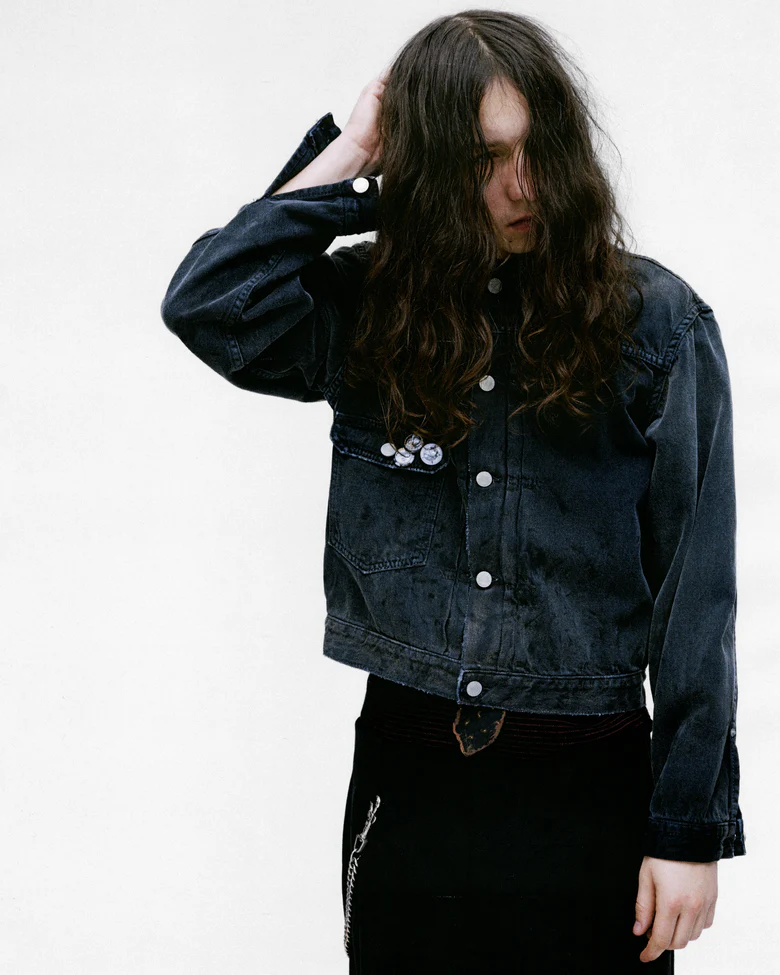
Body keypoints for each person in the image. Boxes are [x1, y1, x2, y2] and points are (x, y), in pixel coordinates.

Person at [160, 9, 745, 973]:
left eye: (537, 150)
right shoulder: (367, 308)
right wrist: (352, 156)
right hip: (411, 785)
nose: (523, 187)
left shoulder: (657, 325)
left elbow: (699, 597)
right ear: (427, 173)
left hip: (590, 790)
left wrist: (688, 827)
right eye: (481, 160)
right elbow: (210, 302)